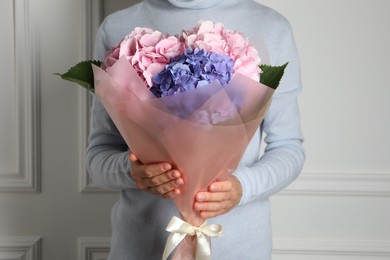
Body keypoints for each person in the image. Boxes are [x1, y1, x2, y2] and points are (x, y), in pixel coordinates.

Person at [86, 0, 305, 259]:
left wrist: (243, 187)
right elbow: (97, 157)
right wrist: (133, 172)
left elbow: (289, 148)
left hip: (240, 249)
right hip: (139, 247)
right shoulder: (117, 27)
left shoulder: (272, 27)